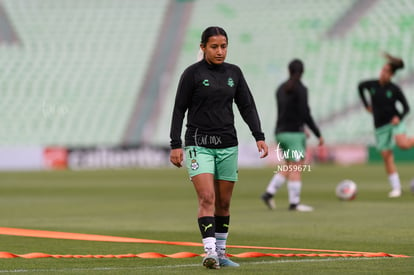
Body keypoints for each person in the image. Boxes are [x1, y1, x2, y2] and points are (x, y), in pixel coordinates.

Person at [169, 26, 268, 269]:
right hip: (198, 144)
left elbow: (247, 106)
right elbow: (179, 109)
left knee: (224, 203)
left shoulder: (234, 73)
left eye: (223, 46)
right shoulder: (191, 74)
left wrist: (259, 135)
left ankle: (222, 253)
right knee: (207, 197)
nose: (220, 51)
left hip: (227, 144)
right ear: (202, 47)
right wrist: (175, 144)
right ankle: (210, 252)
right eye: (214, 46)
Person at [261, 59, 324, 212]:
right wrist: (317, 133)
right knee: (296, 167)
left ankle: (269, 193)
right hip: (294, 134)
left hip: (281, 132)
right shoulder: (301, 89)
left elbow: (288, 112)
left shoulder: (280, 88)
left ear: (288, 70)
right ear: (302, 72)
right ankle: (294, 204)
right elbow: (305, 113)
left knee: (290, 165)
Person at [358, 53, 413, 198]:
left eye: (386, 71)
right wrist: (366, 105)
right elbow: (360, 86)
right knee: (386, 156)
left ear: (392, 75)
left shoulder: (395, 89)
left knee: (403, 144)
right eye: (382, 70)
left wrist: (398, 117)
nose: (383, 73)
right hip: (380, 126)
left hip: (394, 123)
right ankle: (396, 188)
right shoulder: (372, 85)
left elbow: (407, 108)